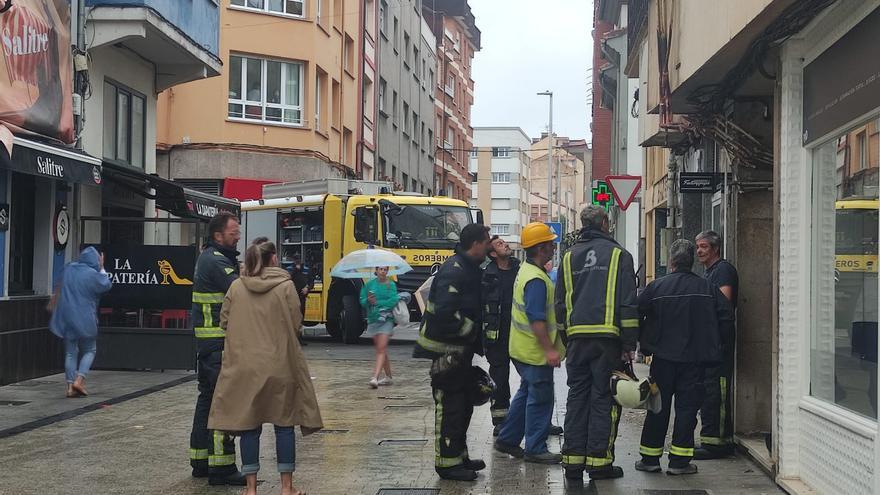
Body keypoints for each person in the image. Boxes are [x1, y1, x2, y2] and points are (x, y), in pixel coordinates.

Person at [209, 239, 323, 495]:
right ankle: (287, 487)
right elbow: (296, 323)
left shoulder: (237, 287)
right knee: (284, 425)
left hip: (246, 367)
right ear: (273, 259)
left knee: (249, 425)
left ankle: (251, 489)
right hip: (280, 365)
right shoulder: (286, 286)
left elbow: (224, 321)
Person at [635, 239, 734, 475]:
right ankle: (679, 462)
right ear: (692, 263)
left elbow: (635, 312)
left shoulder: (657, 288)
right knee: (687, 410)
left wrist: (643, 344)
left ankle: (650, 459)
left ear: (671, 262)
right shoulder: (707, 288)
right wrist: (718, 347)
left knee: (658, 407)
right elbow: (727, 318)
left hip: (662, 361)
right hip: (695, 362)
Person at [555, 205, 639, 481]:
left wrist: (567, 338)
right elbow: (627, 303)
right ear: (604, 223)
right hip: (608, 340)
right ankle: (599, 462)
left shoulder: (567, 258)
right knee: (604, 398)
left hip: (577, 340)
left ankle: (572, 461)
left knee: (577, 397)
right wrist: (629, 343)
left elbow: (560, 305)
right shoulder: (619, 255)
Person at [413, 223, 492, 481]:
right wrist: (471, 329)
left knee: (462, 404)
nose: (489, 245)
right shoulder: (454, 270)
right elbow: (446, 313)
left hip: (459, 351)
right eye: (487, 241)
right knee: (450, 406)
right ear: (477, 243)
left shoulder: (467, 268)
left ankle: (459, 456)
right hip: (447, 351)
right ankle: (447, 464)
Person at [494, 223, 566, 464]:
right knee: (540, 399)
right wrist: (550, 350)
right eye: (550, 243)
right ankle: (535, 448)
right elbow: (537, 320)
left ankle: (507, 439)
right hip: (535, 352)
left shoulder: (525, 270)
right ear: (542, 248)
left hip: (521, 349)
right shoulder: (535, 279)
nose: (554, 246)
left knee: (525, 395)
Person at [189, 213, 247, 486]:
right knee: (221, 403)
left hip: (208, 344)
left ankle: (200, 461)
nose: (237, 236)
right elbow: (240, 292)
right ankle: (221, 468)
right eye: (233, 232)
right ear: (218, 235)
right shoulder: (215, 261)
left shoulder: (210, 258)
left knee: (207, 401)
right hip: (218, 343)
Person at [694, 230, 739, 460]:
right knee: (709, 392)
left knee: (717, 392)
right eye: (698, 247)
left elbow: (723, 302)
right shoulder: (709, 273)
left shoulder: (723, 270)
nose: (699, 251)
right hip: (709, 343)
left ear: (715, 249)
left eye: (704, 247)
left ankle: (719, 443)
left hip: (719, 342)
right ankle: (711, 438)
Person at [48, 246, 112, 398]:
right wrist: (102, 267)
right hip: (85, 318)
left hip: (67, 317)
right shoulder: (92, 275)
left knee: (70, 352)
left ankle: (70, 387)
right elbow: (106, 285)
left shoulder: (70, 269)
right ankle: (79, 379)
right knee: (90, 349)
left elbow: (59, 284)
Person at [481, 235, 521, 434]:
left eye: (504, 242)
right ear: (493, 254)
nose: (505, 244)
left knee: (532, 377)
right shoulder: (487, 275)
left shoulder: (519, 270)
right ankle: (500, 421)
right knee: (500, 380)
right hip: (497, 338)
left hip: (520, 334)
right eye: (499, 244)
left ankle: (537, 419)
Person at [361, 266, 400, 388]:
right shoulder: (369, 285)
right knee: (381, 349)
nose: (383, 271)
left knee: (381, 349)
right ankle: (388, 377)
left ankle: (375, 377)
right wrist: (368, 300)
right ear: (376, 271)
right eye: (381, 269)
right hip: (373, 319)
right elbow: (362, 300)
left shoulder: (391, 284)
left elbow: (394, 300)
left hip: (387, 320)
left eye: (385, 269)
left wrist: (378, 303)